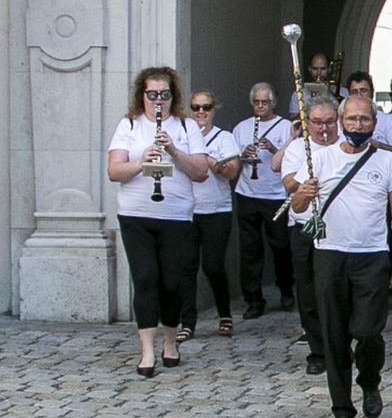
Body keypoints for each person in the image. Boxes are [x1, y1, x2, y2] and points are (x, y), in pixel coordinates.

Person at [295, 93, 392, 418]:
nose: (358, 125)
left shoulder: (387, 162)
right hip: (330, 254)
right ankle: (342, 408)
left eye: (364, 119)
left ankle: (369, 379)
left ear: (374, 123)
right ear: (341, 122)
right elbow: (297, 207)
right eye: (352, 119)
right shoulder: (320, 160)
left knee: (368, 331)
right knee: (334, 335)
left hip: (371, 256)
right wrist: (304, 193)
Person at [106, 66, 213, 376]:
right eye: (152, 95)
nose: (158, 101)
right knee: (145, 278)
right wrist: (141, 162)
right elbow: (114, 171)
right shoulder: (129, 125)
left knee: (171, 281)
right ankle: (146, 351)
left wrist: (173, 151)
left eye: (164, 95)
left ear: (172, 96)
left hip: (175, 216)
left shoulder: (186, 126)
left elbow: (201, 172)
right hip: (135, 215)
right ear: (142, 96)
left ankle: (170, 342)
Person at [277, 98, 339, 376]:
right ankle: (318, 350)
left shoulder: (346, 146)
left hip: (340, 227)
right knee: (308, 290)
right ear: (307, 123)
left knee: (336, 289)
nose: (323, 128)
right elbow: (288, 183)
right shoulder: (297, 148)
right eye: (317, 122)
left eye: (329, 122)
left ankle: (339, 343)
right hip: (305, 226)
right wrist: (308, 176)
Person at [179, 89, 241, 340]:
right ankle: (187, 322)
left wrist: (207, 159)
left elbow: (232, 172)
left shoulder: (224, 138)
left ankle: (224, 314)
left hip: (217, 210)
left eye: (206, 107)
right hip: (187, 211)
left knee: (214, 266)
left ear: (214, 109)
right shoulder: (182, 137)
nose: (201, 112)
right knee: (186, 267)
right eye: (196, 108)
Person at [232, 83, 294, 318]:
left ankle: (286, 288)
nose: (260, 106)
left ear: (273, 103)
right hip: (247, 193)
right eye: (256, 102)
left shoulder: (286, 127)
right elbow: (232, 161)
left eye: (264, 102)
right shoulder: (241, 128)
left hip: (275, 195)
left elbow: (294, 159)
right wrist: (243, 155)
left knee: (281, 246)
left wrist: (274, 148)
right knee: (250, 250)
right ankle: (254, 300)